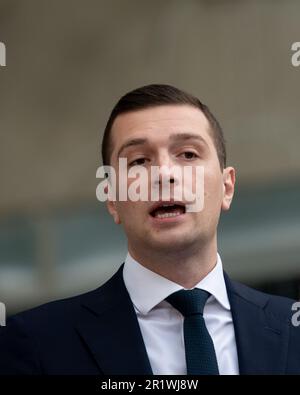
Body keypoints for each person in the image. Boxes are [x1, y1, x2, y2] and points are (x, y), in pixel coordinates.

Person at [0, 84, 299, 375]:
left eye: (188, 154)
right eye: (139, 161)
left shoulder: (292, 328)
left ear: (227, 187)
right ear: (113, 200)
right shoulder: (38, 343)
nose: (164, 174)